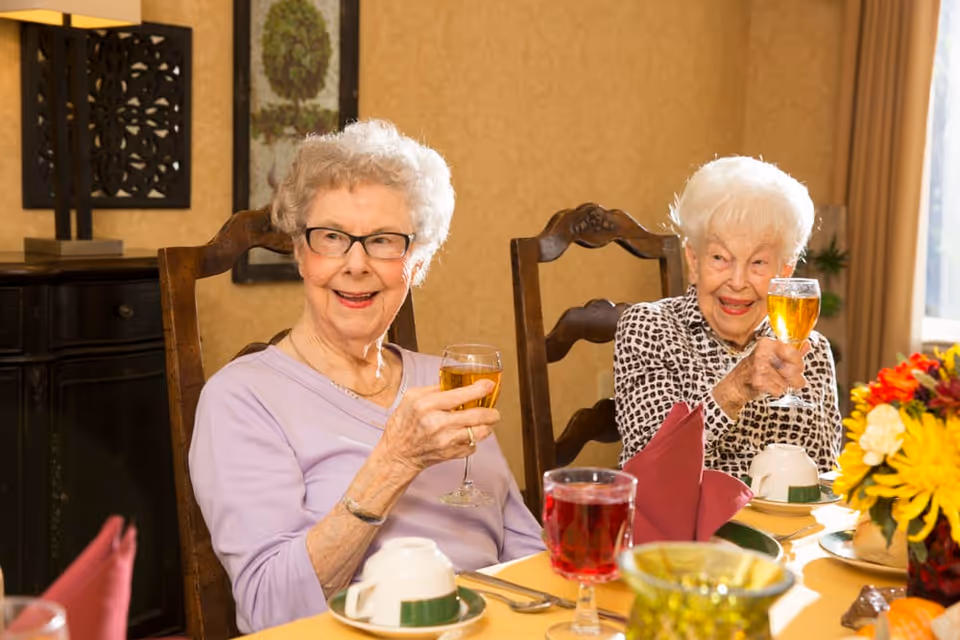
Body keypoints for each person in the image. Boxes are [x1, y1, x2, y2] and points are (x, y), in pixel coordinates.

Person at [189, 120, 544, 633]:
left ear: (416, 262)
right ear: (299, 250)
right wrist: (395, 461)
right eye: (331, 237)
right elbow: (272, 611)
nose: (355, 264)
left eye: (382, 241)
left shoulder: (444, 383)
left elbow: (528, 557)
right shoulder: (242, 399)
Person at [614, 156, 842, 476]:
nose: (737, 282)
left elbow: (825, 477)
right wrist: (734, 389)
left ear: (785, 272)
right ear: (693, 261)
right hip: (689, 527)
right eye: (720, 258)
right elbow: (649, 474)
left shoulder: (810, 351)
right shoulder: (650, 329)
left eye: (758, 263)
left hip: (783, 528)